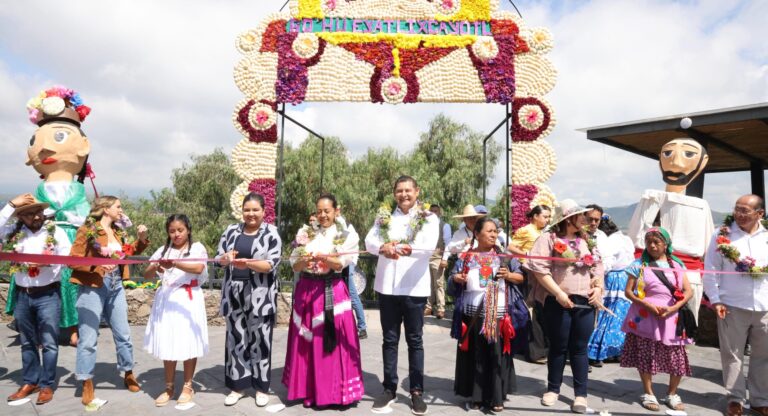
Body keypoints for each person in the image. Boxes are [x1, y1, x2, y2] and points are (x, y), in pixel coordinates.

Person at [11, 86, 93, 347]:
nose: (44, 148)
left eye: (58, 137)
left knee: (71, 283)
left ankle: (71, 328)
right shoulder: (37, 192)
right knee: (35, 277)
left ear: (82, 146)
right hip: (40, 237)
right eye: (36, 142)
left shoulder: (78, 190)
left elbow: (85, 218)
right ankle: (34, 326)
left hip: (71, 237)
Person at [365, 175, 439, 415]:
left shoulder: (429, 218)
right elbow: (370, 241)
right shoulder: (384, 216)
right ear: (394, 192)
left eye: (408, 190)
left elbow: (428, 246)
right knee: (389, 339)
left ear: (417, 191)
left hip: (414, 288)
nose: (404, 194)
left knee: (415, 340)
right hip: (387, 288)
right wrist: (381, 248)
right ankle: (389, 388)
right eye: (399, 190)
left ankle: (416, 390)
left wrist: (403, 250)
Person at [283, 194, 364, 407]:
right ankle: (308, 390)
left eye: (327, 211)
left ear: (336, 211)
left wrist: (324, 258)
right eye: (319, 211)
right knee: (307, 341)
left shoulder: (346, 234)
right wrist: (304, 259)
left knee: (331, 340)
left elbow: (340, 265)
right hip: (307, 291)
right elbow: (295, 266)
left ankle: (334, 393)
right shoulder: (305, 233)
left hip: (332, 291)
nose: (323, 215)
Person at [525, 199, 604, 414]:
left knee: (579, 348)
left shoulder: (587, 240)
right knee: (558, 346)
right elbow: (540, 269)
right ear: (569, 218)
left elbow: (597, 266)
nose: (585, 219)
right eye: (581, 216)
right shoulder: (548, 239)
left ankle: (580, 394)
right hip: (557, 300)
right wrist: (558, 293)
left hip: (584, 302)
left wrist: (597, 288)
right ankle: (553, 388)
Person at [69, 196, 149, 408]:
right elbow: (73, 259)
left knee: (123, 333)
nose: (121, 210)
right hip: (92, 286)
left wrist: (141, 239)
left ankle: (128, 372)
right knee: (88, 338)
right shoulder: (88, 229)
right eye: (118, 207)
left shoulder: (118, 231)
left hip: (115, 285)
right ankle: (86, 381)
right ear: (105, 209)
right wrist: (96, 267)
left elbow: (127, 253)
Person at [628, 138, 714, 324]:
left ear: (703, 161)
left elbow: (708, 247)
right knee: (645, 323)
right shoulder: (650, 198)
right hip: (648, 272)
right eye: (667, 153)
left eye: (689, 154)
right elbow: (634, 237)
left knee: (680, 326)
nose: (675, 161)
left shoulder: (700, 206)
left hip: (687, 275)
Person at [448, 217, 524, 412]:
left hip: (497, 314)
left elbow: (521, 277)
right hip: (472, 314)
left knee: (496, 353)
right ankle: (477, 396)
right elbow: (452, 281)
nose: (493, 234)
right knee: (475, 354)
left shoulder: (504, 257)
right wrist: (457, 278)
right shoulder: (466, 257)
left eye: (495, 231)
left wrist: (508, 275)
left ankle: (496, 397)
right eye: (489, 231)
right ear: (477, 234)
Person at [2, 194, 71, 405]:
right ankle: (30, 381)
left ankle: (47, 384)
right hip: (23, 294)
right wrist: (11, 205)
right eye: (30, 213)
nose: (37, 216)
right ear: (21, 217)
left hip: (48, 294)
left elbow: (68, 258)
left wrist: (46, 263)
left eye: (39, 211)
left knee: (49, 342)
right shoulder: (14, 232)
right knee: (27, 341)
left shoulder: (55, 232)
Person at [703, 194, 768, 416]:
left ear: (760, 214)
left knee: (763, 355)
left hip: (765, 306)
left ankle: (760, 400)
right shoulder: (722, 235)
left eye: (745, 211)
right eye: (737, 209)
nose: (739, 214)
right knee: (732, 355)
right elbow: (710, 270)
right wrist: (716, 299)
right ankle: (735, 399)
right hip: (731, 304)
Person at [216, 192, 282, 407]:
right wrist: (225, 259)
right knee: (236, 339)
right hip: (233, 293)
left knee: (260, 341)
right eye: (247, 210)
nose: (251, 214)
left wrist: (248, 264)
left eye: (255, 210)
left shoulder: (272, 233)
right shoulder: (231, 231)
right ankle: (237, 386)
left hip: (260, 295)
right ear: (241, 211)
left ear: (264, 211)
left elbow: (271, 264)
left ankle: (261, 387)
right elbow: (218, 259)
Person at [620, 227, 693, 412]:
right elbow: (628, 292)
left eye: (657, 242)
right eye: (649, 242)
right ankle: (648, 392)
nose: (652, 246)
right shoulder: (639, 264)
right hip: (646, 316)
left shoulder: (676, 264)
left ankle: (672, 394)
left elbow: (688, 291)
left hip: (672, 318)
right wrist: (647, 305)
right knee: (646, 353)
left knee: (676, 356)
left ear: (666, 244)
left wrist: (673, 308)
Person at [143, 214, 209, 407]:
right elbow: (147, 274)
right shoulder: (164, 249)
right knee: (167, 342)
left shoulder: (197, 248)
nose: (176, 234)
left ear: (188, 229)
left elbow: (198, 268)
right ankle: (169, 386)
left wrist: (173, 263)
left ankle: (188, 385)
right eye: (172, 231)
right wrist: (156, 265)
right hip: (167, 300)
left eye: (180, 230)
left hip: (188, 300)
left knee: (189, 342)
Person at [587, 216, 635, 366]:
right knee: (620, 314)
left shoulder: (610, 242)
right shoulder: (625, 239)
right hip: (624, 277)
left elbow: (607, 262)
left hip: (612, 278)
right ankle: (617, 350)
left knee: (606, 314)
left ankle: (599, 350)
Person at [509, 205, 551, 364]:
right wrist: (528, 254)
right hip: (528, 273)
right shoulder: (526, 230)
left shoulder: (544, 232)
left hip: (540, 274)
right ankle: (534, 351)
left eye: (548, 217)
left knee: (541, 311)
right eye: (544, 216)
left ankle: (542, 348)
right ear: (535, 216)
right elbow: (511, 247)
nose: (547, 220)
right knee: (531, 311)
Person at [425, 203, 451, 319]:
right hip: (426, 257)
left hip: (438, 257)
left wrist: (445, 258)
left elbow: (448, 243)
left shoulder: (444, 226)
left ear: (439, 212)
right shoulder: (425, 225)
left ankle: (441, 308)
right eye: (432, 211)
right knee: (427, 283)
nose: (434, 213)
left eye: (436, 211)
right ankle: (428, 307)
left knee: (439, 283)